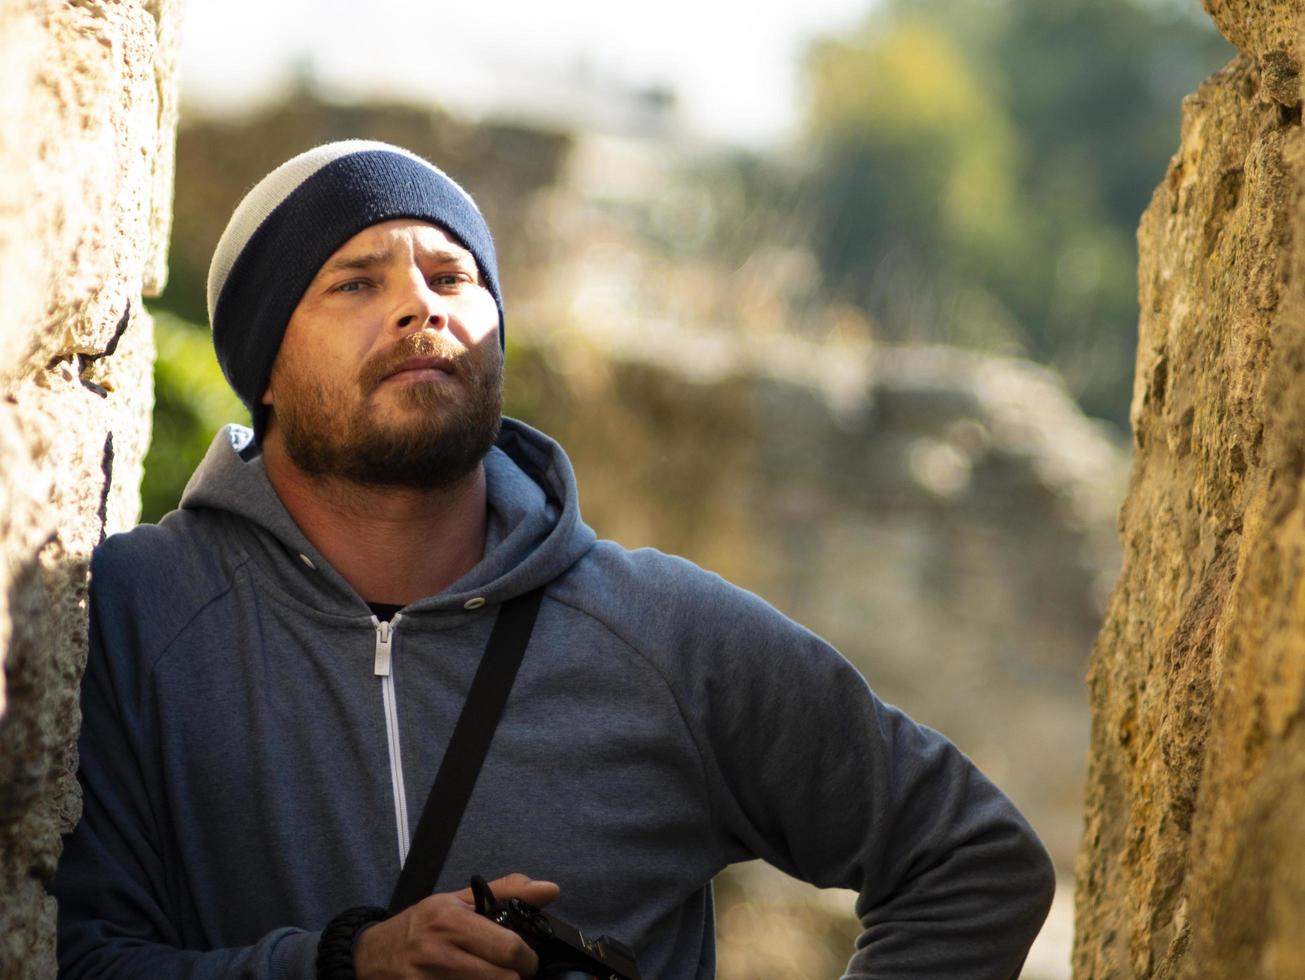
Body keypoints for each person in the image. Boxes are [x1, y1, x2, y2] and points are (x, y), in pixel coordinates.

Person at [51, 140, 1056, 979]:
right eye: (356, 282)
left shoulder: (663, 629)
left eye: (452, 278)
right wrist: (342, 961)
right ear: (263, 367)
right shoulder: (135, 614)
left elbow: (972, 857)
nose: (421, 306)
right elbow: (71, 958)